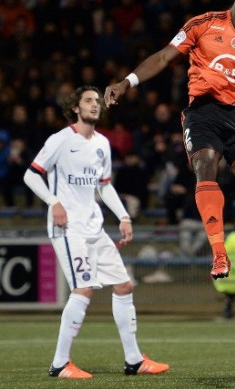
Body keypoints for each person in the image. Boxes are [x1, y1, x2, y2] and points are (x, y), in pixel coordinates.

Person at [104, 0, 235, 280]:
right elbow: (164, 56)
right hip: (203, 111)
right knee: (205, 163)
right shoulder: (205, 24)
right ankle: (219, 254)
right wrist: (127, 82)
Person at [23, 86, 169, 379]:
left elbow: (104, 185)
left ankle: (134, 360)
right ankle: (60, 364)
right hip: (68, 229)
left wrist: (124, 216)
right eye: (88, 101)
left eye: (97, 101)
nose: (94, 105)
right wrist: (54, 202)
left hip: (94, 227)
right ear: (75, 108)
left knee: (124, 285)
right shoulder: (60, 140)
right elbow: (30, 174)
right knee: (84, 288)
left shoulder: (102, 143)